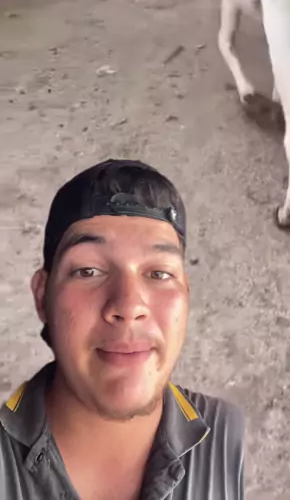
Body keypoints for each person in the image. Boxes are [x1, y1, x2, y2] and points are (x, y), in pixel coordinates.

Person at [0, 159, 244, 500]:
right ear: (43, 296)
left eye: (159, 273)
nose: (129, 307)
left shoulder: (228, 434)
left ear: (186, 295)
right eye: (88, 271)